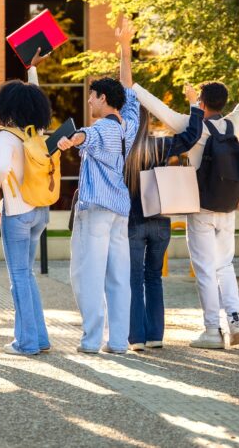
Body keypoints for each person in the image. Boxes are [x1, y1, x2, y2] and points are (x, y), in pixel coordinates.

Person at [133, 57, 239, 349]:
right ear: (223, 103)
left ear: (201, 103)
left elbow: (157, 108)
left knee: (204, 268)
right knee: (225, 265)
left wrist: (133, 86)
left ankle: (212, 332)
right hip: (228, 207)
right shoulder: (233, 123)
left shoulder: (192, 125)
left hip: (202, 207)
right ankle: (236, 319)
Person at [116, 21, 204, 351]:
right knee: (154, 278)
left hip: (133, 223)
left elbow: (126, 91)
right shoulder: (160, 145)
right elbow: (191, 136)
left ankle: (135, 338)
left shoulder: (123, 147)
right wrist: (195, 105)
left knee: (134, 278)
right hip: (161, 222)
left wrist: (124, 50)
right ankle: (155, 337)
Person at [57, 19, 141, 355]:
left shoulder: (102, 128)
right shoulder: (129, 123)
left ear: (103, 98)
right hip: (121, 209)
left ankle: (92, 340)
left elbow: (86, 136)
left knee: (85, 275)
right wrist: (124, 49)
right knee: (119, 278)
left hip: (96, 213)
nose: (89, 102)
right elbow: (129, 88)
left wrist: (69, 141)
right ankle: (118, 341)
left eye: (92, 97)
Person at [0, 49, 52, 355]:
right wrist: (32, 73)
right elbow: (35, 95)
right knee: (27, 275)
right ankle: (40, 338)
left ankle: (26, 342)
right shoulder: (35, 131)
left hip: (16, 213)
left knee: (18, 278)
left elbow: (0, 171)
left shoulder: (6, 136)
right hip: (40, 211)